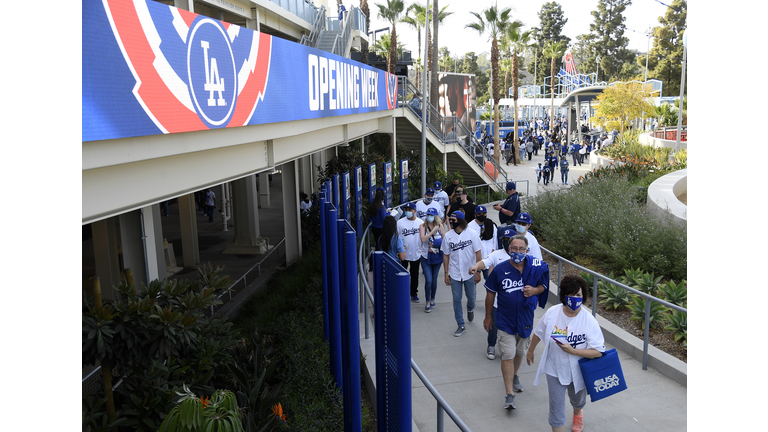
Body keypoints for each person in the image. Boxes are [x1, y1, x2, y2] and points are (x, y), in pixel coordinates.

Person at [526, 275, 606, 432]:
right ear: (564, 295)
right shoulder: (552, 313)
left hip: (579, 370)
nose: (575, 298)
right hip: (554, 368)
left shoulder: (589, 320)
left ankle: (578, 413)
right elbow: (539, 332)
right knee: (556, 407)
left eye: (578, 295)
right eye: (571, 294)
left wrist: (573, 351)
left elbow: (598, 351)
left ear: (583, 298)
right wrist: (530, 350)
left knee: (578, 400)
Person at [483, 235, 550, 410]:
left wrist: (535, 290)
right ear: (509, 250)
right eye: (514, 248)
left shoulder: (535, 267)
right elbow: (490, 293)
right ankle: (509, 394)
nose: (517, 252)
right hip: (505, 321)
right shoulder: (500, 269)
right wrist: (488, 316)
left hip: (526, 320)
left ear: (527, 250)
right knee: (507, 355)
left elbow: (544, 286)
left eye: (521, 249)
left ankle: (515, 375)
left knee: (520, 352)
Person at [467, 226, 516, 360]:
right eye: (504, 239)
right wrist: (476, 267)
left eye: (509, 239)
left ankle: (511, 347)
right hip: (497, 301)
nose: (506, 242)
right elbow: (485, 262)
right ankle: (491, 345)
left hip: (513, 302)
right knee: (493, 325)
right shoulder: (497, 254)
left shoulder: (520, 256)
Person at [442, 211, 482, 337]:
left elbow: (478, 253)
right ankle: (461, 324)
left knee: (471, 298)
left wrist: (478, 271)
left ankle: (470, 309)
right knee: (456, 299)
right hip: (454, 273)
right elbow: (446, 255)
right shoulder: (448, 236)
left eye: (453, 220)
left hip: (470, 272)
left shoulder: (472, 233)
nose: (451, 222)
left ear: (460, 220)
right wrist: (446, 273)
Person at [419, 207, 446, 313]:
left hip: (436, 256)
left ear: (435, 216)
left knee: (434, 280)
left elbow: (445, 241)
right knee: (428, 280)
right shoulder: (423, 226)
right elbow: (423, 239)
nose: (429, 217)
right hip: (425, 256)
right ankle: (427, 302)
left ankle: (432, 299)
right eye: (428, 215)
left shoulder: (440, 226)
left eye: (431, 215)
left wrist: (435, 244)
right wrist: (432, 232)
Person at [398, 202, 424, 303]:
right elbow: (397, 237)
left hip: (416, 252)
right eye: (406, 210)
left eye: (410, 210)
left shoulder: (420, 222)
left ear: (414, 211)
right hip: (403, 253)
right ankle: (403, 293)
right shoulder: (400, 222)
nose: (408, 212)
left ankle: (414, 293)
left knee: (414, 274)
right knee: (403, 273)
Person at [466, 205, 497, 281]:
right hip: (474, 262)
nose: (482, 216)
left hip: (488, 260)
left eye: (484, 214)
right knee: (473, 284)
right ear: (475, 215)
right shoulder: (469, 227)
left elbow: (495, 243)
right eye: (479, 214)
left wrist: (492, 261)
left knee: (490, 283)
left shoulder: (491, 225)